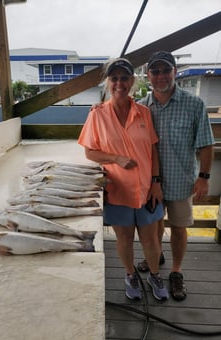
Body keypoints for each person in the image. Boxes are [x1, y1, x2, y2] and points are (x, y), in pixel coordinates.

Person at [78, 57, 169, 301]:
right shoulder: (97, 114)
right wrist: (116, 159)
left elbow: (152, 150)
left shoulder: (144, 112)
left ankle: (155, 274)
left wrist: (156, 182)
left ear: (132, 81)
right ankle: (130, 274)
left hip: (146, 189)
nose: (119, 83)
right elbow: (90, 151)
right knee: (124, 237)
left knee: (150, 237)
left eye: (124, 78)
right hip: (117, 190)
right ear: (108, 82)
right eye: (114, 78)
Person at [137, 51, 215, 301]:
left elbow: (206, 144)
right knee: (154, 226)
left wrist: (203, 176)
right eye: (155, 71)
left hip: (182, 180)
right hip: (150, 182)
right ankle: (155, 258)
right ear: (148, 75)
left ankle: (176, 271)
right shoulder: (140, 107)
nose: (161, 76)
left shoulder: (194, 104)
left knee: (180, 228)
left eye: (165, 70)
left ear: (175, 72)